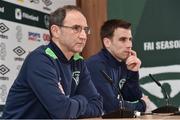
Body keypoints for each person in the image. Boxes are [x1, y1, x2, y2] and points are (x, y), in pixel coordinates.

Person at [2, 5, 103, 119]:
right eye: (76, 28)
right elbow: (62, 110)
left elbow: (97, 105)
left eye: (85, 29)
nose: (83, 36)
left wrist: (71, 104)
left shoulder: (78, 61)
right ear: (55, 31)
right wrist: (82, 100)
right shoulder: (40, 60)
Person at [86, 19, 149, 114]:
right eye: (123, 39)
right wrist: (142, 105)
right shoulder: (96, 65)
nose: (129, 45)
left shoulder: (123, 62)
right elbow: (111, 107)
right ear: (107, 42)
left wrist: (133, 72)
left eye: (130, 39)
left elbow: (132, 97)